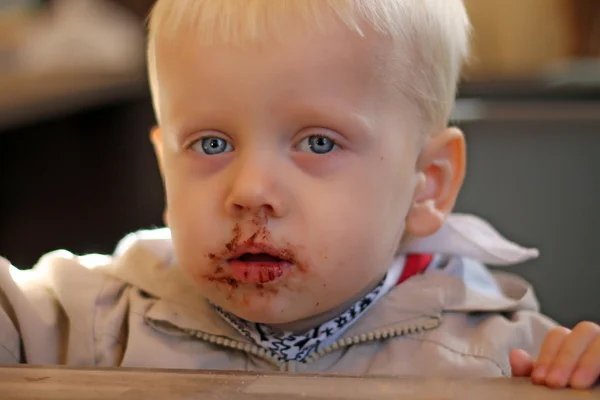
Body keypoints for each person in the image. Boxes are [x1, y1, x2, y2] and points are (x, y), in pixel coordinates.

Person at [1, 0, 598, 390]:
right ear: (164, 167)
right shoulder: (94, 314)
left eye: (317, 142)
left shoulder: (503, 353)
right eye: (211, 145)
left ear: (428, 183)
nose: (252, 191)